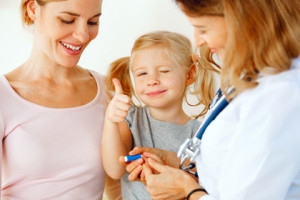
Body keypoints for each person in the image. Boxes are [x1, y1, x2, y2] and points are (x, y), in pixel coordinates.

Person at [125, 0, 300, 200]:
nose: (198, 40)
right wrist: (178, 164)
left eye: (203, 29)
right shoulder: (255, 76)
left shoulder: (279, 95)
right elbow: (234, 164)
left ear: (245, 22)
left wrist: (188, 190)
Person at [0, 0, 110, 199]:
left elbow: (118, 186)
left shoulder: (108, 91)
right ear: (33, 8)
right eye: (68, 20)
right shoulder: (4, 95)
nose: (83, 35)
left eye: (92, 22)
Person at [101, 31, 217, 200]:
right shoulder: (130, 119)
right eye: (142, 74)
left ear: (190, 74)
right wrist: (110, 121)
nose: (152, 80)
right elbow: (114, 170)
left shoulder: (200, 132)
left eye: (163, 71)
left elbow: (206, 183)